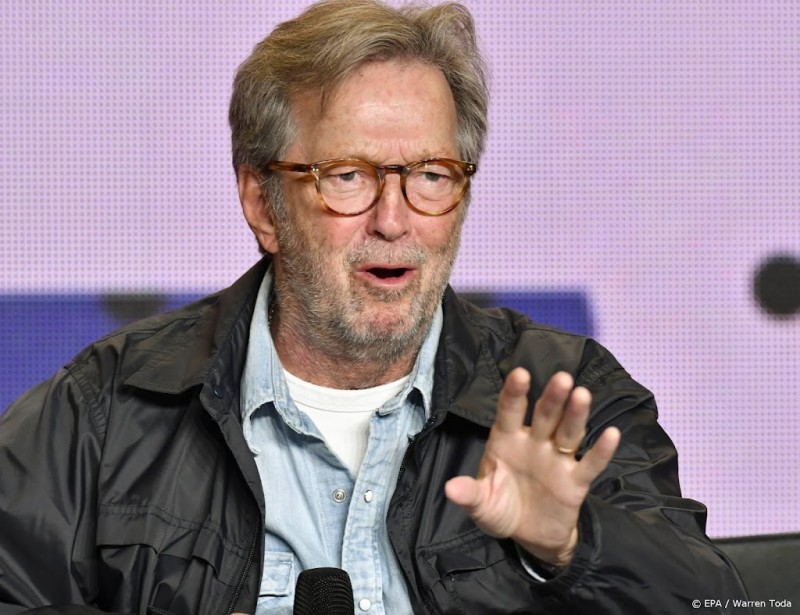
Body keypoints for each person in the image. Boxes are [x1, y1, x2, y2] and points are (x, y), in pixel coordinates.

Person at [0, 1, 749, 613]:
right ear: (262, 203)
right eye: (348, 176)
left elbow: (719, 605)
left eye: (431, 175)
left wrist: (574, 546)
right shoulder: (107, 411)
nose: (395, 220)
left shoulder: (566, 399)